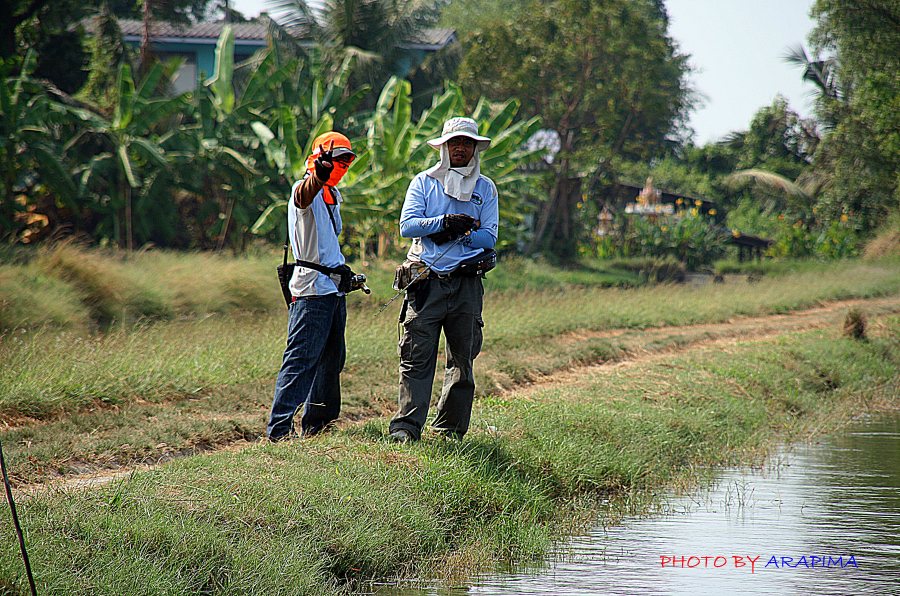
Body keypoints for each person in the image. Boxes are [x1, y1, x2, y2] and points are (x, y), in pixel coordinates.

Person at [388, 117, 498, 443]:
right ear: (445, 147)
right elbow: (408, 226)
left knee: (462, 360)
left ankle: (450, 429)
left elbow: (489, 237)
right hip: (425, 280)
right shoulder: (423, 182)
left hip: (466, 282)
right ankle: (406, 429)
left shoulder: (485, 187)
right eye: (454, 143)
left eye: (467, 143)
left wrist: (462, 234)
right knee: (416, 357)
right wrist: (444, 222)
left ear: (475, 148)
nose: (460, 148)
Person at [267, 131, 357, 441]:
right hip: (311, 291)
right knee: (301, 359)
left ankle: (319, 428)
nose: (340, 166)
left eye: (346, 161)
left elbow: (327, 244)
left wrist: (342, 270)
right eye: (335, 160)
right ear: (318, 160)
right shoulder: (306, 189)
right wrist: (318, 177)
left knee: (332, 360)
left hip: (332, 288)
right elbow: (304, 195)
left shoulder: (334, 195)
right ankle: (279, 431)